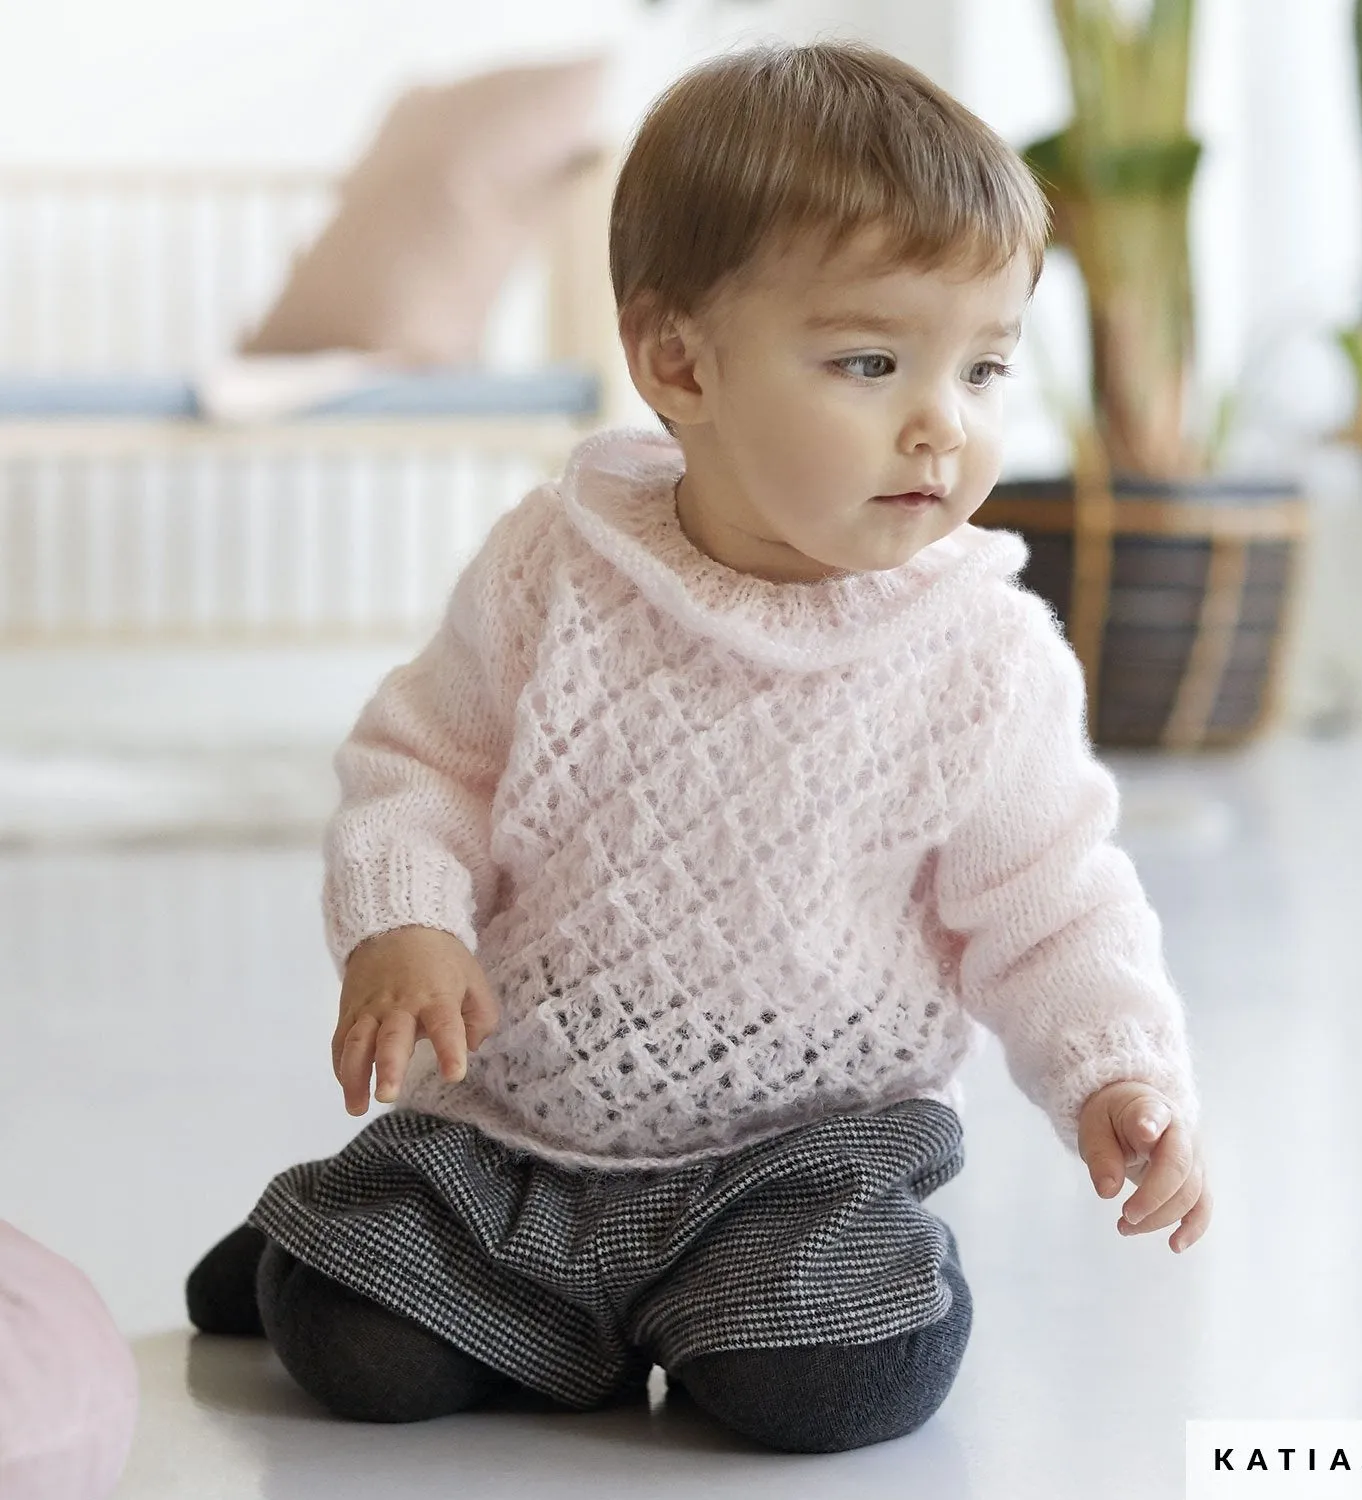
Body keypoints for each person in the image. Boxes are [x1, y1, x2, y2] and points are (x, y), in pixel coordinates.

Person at [185, 38, 1212, 1454]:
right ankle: (354, 1243)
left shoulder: (985, 656)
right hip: (519, 1128)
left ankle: (608, 1297)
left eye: (984, 368)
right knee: (358, 1355)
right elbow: (424, 768)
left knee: (836, 1382)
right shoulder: (560, 567)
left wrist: (1118, 1070)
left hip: (800, 1159)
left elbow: (1052, 906)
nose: (943, 424)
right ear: (680, 361)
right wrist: (404, 922)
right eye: (870, 360)